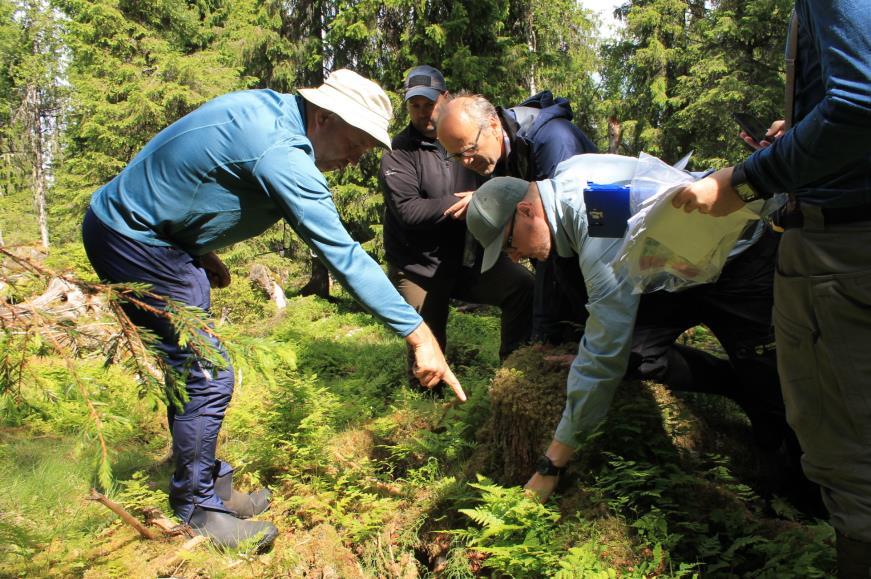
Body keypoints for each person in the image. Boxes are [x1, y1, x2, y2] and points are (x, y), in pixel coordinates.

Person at [81, 69, 464, 550]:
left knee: (198, 366)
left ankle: (211, 487)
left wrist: (196, 242)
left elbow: (188, 165)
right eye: (357, 143)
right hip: (134, 238)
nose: (353, 160)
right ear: (325, 116)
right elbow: (342, 255)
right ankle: (197, 508)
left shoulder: (271, 109)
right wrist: (419, 333)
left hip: (158, 238)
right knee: (206, 370)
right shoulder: (282, 154)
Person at [671, 2, 871, 575]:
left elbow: (860, 104)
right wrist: (806, 128)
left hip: (843, 253)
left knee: (850, 464)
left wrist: (745, 179)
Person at [464, 162, 641, 504]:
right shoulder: (566, 180)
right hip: (685, 267)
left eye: (510, 243)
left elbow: (608, 343)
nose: (514, 258)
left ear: (526, 209)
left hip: (737, 255)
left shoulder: (596, 212)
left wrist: (552, 463)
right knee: (647, 356)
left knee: (757, 376)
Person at [379, 66, 533, 380]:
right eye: (415, 106)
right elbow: (408, 211)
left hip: (467, 261)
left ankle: (513, 374)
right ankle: (424, 413)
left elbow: (501, 183)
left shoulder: (469, 137)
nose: (423, 113)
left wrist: (483, 199)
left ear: (446, 98)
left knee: (523, 287)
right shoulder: (399, 153)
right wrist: (466, 201)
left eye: (430, 104)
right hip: (418, 268)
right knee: (428, 354)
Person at [436, 92, 597, 344]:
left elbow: (554, 243)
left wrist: (543, 333)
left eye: (468, 149)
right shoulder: (498, 155)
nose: (466, 162)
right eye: (456, 156)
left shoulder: (552, 141)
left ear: (492, 124)